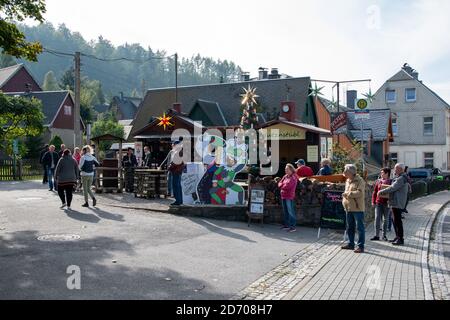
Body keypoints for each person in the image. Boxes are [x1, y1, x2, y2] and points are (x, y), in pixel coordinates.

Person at [378, 163, 410, 246]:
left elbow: (393, 187)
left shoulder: (401, 178)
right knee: (395, 221)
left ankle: (400, 239)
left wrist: (381, 191)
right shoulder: (401, 177)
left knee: (397, 221)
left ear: (400, 169)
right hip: (395, 202)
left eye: (396, 169)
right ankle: (397, 237)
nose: (394, 170)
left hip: (397, 202)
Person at [341, 164, 366, 253]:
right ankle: (351, 244)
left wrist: (347, 194)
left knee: (360, 228)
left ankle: (360, 246)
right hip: (348, 207)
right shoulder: (348, 180)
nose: (343, 172)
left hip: (357, 208)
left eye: (345, 170)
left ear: (350, 172)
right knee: (350, 227)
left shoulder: (360, 180)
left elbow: (360, 193)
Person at [371, 167, 392, 241]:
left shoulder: (391, 181)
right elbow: (375, 192)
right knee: (377, 219)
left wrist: (391, 201)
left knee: (385, 220)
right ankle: (376, 235)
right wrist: (373, 201)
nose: (381, 174)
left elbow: (392, 192)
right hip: (378, 203)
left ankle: (384, 235)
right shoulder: (378, 181)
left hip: (386, 203)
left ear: (387, 173)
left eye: (382, 172)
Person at [278, 163, 298, 233]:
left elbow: (288, 186)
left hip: (289, 196)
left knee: (290, 212)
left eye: (287, 169)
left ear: (291, 170)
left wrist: (282, 185)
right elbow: (279, 183)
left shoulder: (293, 177)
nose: (285, 170)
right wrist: (282, 185)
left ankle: (293, 227)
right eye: (285, 169)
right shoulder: (285, 176)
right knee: (285, 211)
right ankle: (287, 225)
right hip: (283, 195)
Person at [167, 141, 184, 205]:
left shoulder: (178, 152)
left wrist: (169, 167)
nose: (172, 146)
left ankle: (178, 201)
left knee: (176, 186)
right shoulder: (179, 152)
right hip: (178, 171)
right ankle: (180, 200)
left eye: (173, 145)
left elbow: (175, 163)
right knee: (178, 186)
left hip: (176, 171)